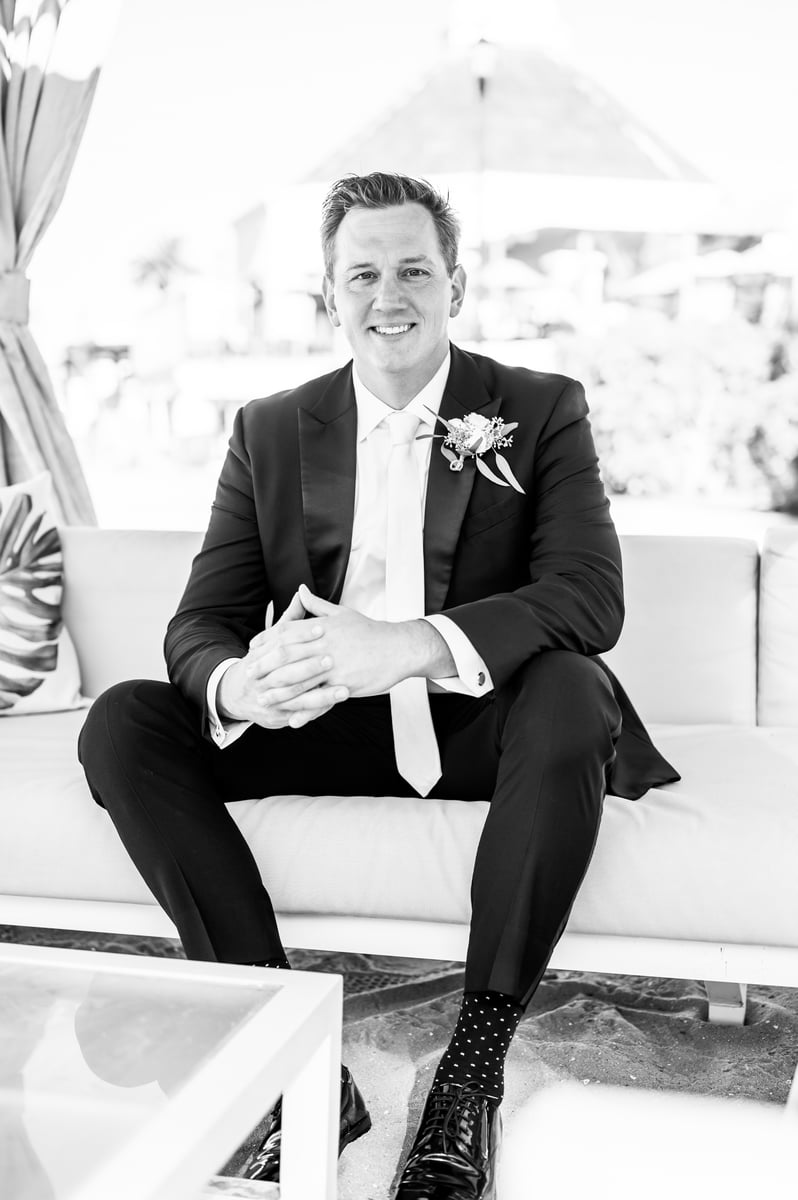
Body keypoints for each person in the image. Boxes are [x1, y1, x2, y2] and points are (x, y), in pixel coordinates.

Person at [78, 172, 678, 1200]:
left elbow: (588, 595)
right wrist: (238, 684)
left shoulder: (539, 409)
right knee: (124, 721)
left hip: (485, 726)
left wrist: (408, 646)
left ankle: (470, 1074)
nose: (387, 296)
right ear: (330, 294)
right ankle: (294, 1071)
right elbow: (201, 620)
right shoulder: (270, 428)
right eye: (362, 275)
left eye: (413, 270)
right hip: (326, 726)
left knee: (576, 689)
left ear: (456, 286)